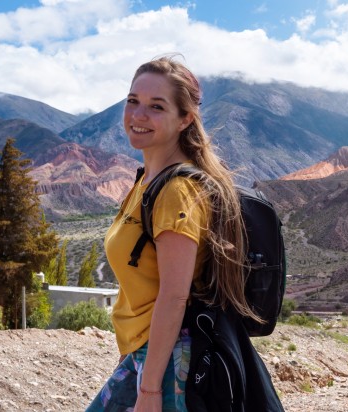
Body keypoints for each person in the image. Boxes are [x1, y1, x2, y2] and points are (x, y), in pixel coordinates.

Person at [87, 55, 265, 411]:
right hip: (145, 353)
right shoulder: (148, 180)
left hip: (169, 361)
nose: (138, 115)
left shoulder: (176, 191)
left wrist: (150, 390)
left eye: (156, 106)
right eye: (133, 101)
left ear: (185, 118)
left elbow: (173, 296)